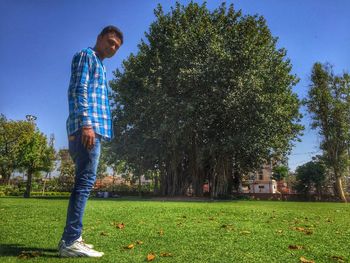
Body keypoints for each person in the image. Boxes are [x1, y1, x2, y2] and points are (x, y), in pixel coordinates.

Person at [58, 25, 123, 258]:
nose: (112, 47)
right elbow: (79, 90)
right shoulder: (87, 56)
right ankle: (70, 241)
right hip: (88, 129)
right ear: (99, 38)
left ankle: (74, 237)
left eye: (116, 46)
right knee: (84, 184)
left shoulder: (101, 66)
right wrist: (87, 125)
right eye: (110, 42)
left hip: (91, 130)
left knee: (84, 183)